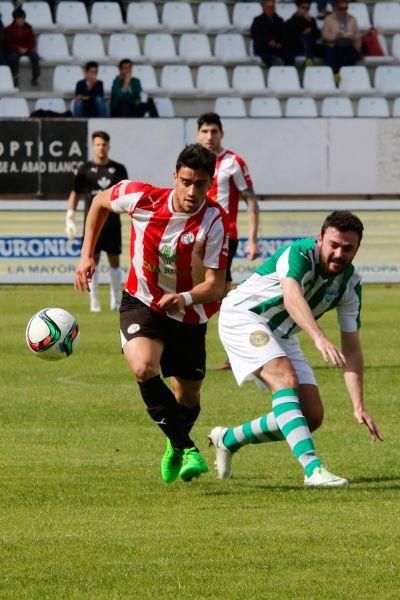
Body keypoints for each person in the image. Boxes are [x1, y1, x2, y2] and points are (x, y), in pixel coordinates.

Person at [74, 144, 228, 483]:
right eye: (186, 181)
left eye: (200, 184)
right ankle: (188, 448)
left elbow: (217, 286)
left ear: (210, 183)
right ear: (174, 176)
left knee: (188, 396)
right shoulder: (141, 197)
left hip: (188, 314)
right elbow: (99, 202)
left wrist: (185, 297)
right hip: (141, 302)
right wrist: (87, 255)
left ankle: (175, 443)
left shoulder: (214, 222)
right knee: (144, 366)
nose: (192, 191)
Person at [209, 211, 383, 487]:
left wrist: (358, 405)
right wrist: (319, 337)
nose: (339, 253)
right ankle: (313, 470)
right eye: (333, 245)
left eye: (347, 248)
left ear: (357, 250)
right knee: (285, 379)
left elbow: (352, 349)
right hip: (244, 317)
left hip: (281, 333)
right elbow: (292, 296)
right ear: (320, 240)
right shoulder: (299, 253)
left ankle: (227, 439)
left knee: (311, 416)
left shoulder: (350, 283)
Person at [197, 112, 259, 369]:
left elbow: (251, 200)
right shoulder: (192, 160)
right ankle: (240, 350)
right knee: (215, 295)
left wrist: (253, 239)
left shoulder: (233, 162)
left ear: (221, 133)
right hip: (194, 236)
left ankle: (241, 350)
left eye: (214, 131)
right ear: (198, 134)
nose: (209, 136)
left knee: (219, 295)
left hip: (224, 235)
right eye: (205, 131)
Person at [66, 131, 128, 312]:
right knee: (92, 261)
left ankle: (115, 301)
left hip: (113, 223)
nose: (101, 147)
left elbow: (125, 192)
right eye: (98, 144)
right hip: (92, 224)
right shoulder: (84, 169)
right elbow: (75, 193)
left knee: (115, 261)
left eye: (104, 144)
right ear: (93, 146)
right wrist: (70, 217)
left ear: (108, 146)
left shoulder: (118, 169)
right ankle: (94, 302)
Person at [322, 0, 360, 77]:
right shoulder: (329, 19)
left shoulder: (352, 19)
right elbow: (324, 35)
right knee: (334, 54)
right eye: (341, 8)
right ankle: (337, 75)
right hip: (334, 45)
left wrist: (351, 36)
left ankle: (345, 75)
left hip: (348, 44)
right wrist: (335, 36)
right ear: (336, 8)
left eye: (346, 8)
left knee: (350, 54)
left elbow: (358, 35)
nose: (344, 10)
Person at [4, 7, 40, 86]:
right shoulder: (9, 29)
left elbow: (32, 41)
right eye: (19, 18)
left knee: (35, 57)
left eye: (22, 18)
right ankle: (15, 77)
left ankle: (35, 77)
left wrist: (27, 48)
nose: (21, 20)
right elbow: (8, 43)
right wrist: (17, 48)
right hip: (15, 50)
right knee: (13, 58)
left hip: (26, 49)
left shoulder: (28, 27)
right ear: (15, 19)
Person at [250, 0, 290, 67]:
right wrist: (268, 42)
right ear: (264, 8)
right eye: (268, 7)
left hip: (277, 47)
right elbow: (255, 35)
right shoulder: (258, 20)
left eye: (272, 7)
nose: (270, 9)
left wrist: (279, 43)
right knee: (266, 55)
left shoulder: (279, 20)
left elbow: (284, 34)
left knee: (288, 53)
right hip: (263, 47)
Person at [285, 1, 321, 66]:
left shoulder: (311, 20)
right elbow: (290, 36)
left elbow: (318, 36)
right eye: (303, 7)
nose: (305, 10)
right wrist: (302, 33)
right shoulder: (291, 21)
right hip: (296, 45)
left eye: (307, 8)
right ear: (298, 7)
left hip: (310, 45)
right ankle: (309, 60)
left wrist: (310, 22)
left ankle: (309, 60)